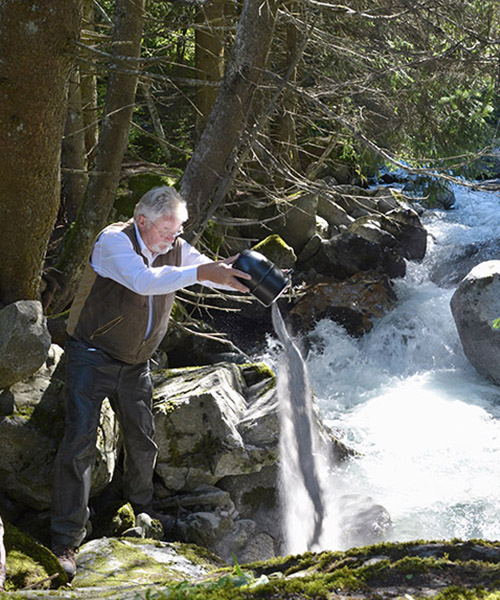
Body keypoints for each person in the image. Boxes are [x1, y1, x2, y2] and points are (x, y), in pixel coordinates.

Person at [50, 186, 251, 580]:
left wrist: (239, 278)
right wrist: (200, 272)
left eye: (178, 230)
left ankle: (142, 513)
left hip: (137, 361)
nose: (173, 238)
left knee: (143, 440)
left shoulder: (174, 246)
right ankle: (65, 540)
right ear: (142, 220)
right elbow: (143, 281)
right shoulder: (114, 241)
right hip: (92, 353)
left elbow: (206, 273)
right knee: (79, 443)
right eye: (166, 229)